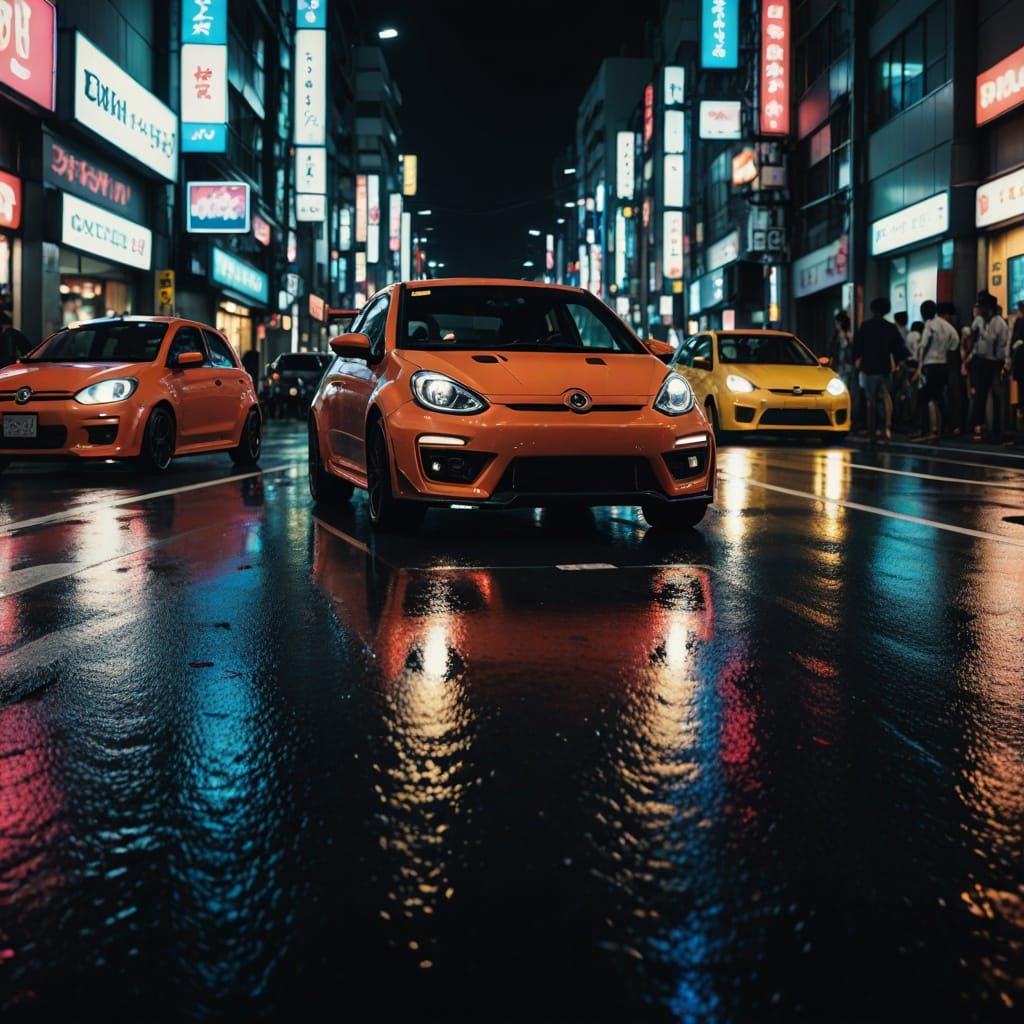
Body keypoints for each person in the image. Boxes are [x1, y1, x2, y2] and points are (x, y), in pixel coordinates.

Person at [852, 297, 904, 445]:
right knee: (884, 399)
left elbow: (857, 346)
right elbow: (898, 348)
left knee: (870, 399)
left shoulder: (865, 326)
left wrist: (856, 359)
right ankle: (884, 428)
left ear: (872, 309)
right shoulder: (890, 327)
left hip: (869, 368)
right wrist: (898, 363)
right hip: (885, 368)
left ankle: (871, 430)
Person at [912, 300, 959, 441]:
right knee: (939, 397)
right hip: (942, 363)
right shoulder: (945, 324)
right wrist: (947, 350)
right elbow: (955, 339)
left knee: (925, 398)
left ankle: (927, 429)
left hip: (929, 364)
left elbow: (924, 345)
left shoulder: (929, 325)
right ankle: (945, 427)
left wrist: (920, 365)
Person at [969, 300, 1009, 442]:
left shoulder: (998, 323)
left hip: (995, 362)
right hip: (983, 361)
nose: (980, 311)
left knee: (997, 396)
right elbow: (975, 340)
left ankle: (998, 431)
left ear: (989, 309)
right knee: (981, 395)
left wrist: (1004, 363)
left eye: (982, 308)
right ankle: (982, 428)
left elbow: (999, 344)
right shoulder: (982, 321)